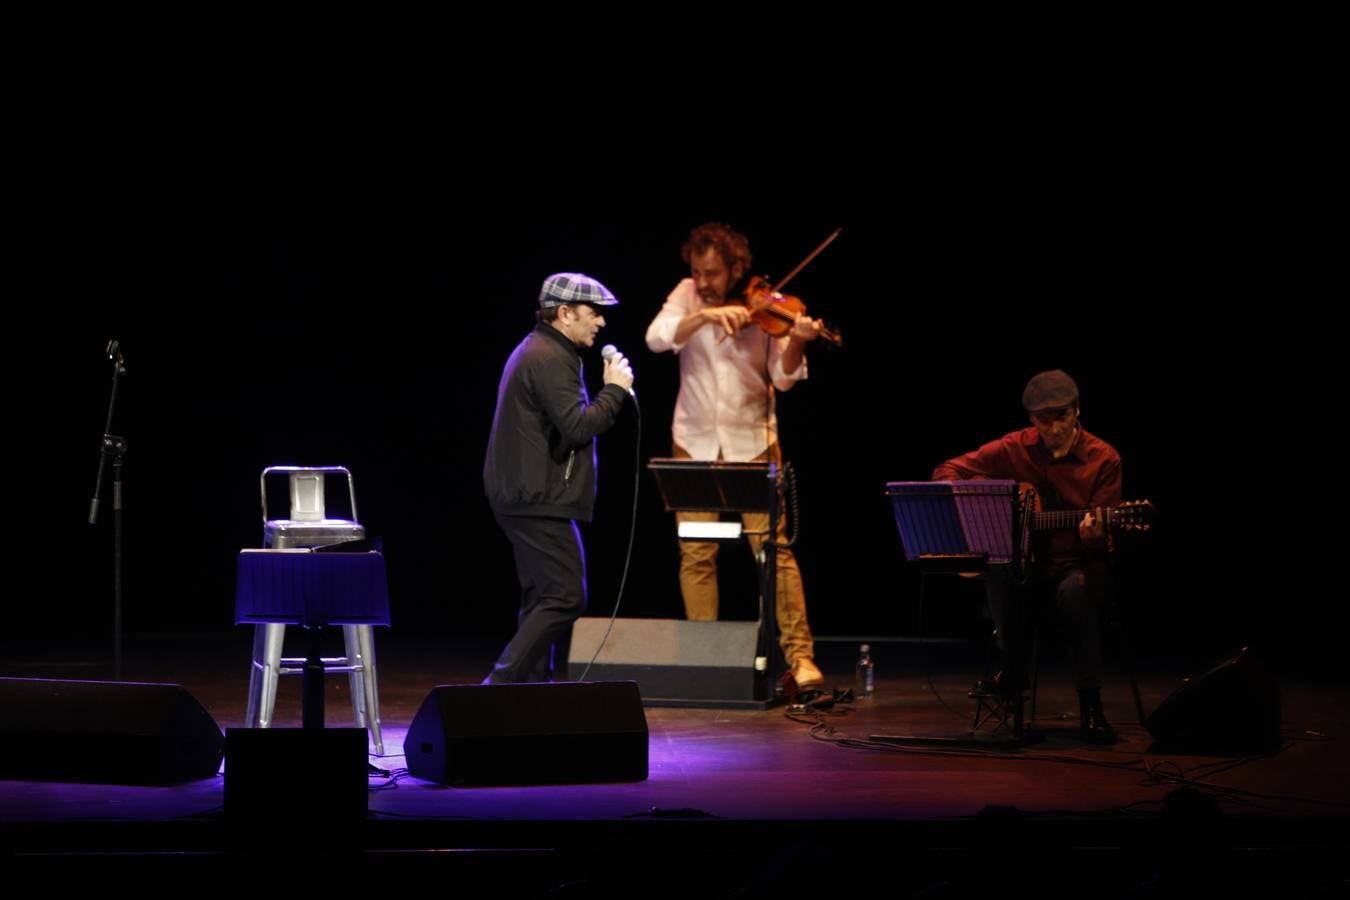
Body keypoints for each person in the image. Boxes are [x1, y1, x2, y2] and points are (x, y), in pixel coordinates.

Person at [645, 222, 825, 692]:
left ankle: (801, 657)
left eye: (713, 274)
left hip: (752, 443)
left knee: (773, 551)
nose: (703, 282)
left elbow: (783, 379)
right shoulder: (686, 294)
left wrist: (800, 339)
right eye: (697, 272)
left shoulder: (765, 306)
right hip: (694, 442)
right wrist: (705, 315)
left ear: (736, 268)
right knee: (697, 551)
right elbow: (656, 338)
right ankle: (705, 660)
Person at [932, 369, 1121, 741]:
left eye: (1062, 417)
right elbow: (945, 471)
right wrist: (997, 496)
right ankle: (1013, 681)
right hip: (1024, 567)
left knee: (1077, 591)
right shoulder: (1013, 447)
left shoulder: (1104, 459)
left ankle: (1091, 703)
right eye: (1043, 420)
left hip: (1074, 567)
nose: (1054, 429)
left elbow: (1104, 544)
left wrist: (1095, 537)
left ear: (1077, 410)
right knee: (1001, 571)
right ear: (1032, 420)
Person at [482, 272, 635, 684]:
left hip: (528, 494)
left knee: (541, 598)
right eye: (593, 313)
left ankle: (529, 693)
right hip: (535, 497)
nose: (601, 322)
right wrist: (615, 391)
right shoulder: (548, 357)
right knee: (565, 596)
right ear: (564, 313)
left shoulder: (546, 351)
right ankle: (499, 686)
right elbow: (578, 427)